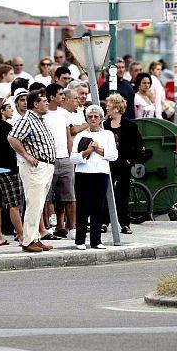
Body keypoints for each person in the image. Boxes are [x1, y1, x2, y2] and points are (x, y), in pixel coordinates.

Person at [8, 90, 56, 253]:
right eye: (44, 100)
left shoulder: (38, 120)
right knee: (34, 204)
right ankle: (28, 241)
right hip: (36, 167)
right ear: (35, 104)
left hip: (45, 166)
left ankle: (35, 238)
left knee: (38, 204)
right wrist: (26, 155)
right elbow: (12, 138)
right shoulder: (27, 119)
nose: (47, 103)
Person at [70, 105, 118, 250]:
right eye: (90, 116)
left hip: (101, 173)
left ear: (101, 119)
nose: (93, 119)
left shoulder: (107, 135)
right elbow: (73, 158)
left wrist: (98, 149)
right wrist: (87, 151)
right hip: (83, 174)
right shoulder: (80, 136)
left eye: (96, 117)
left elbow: (114, 155)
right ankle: (80, 240)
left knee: (98, 207)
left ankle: (96, 240)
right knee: (82, 207)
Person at [0, 99, 24, 245]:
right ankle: (21, 236)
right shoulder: (8, 127)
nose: (11, 110)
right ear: (2, 111)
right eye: (9, 108)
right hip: (8, 169)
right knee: (14, 205)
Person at [103, 94, 145, 234]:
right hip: (108, 163)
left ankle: (124, 223)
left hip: (123, 164)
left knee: (122, 194)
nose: (107, 107)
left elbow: (139, 145)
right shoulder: (105, 125)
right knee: (106, 192)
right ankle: (104, 221)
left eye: (109, 105)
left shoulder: (130, 126)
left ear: (116, 108)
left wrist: (130, 160)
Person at [43, 84, 75, 239]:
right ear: (51, 97)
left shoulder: (64, 113)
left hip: (65, 159)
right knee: (46, 197)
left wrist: (69, 154)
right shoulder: (43, 114)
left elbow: (68, 134)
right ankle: (48, 227)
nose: (63, 97)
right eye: (60, 94)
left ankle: (71, 228)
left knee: (68, 196)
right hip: (48, 160)